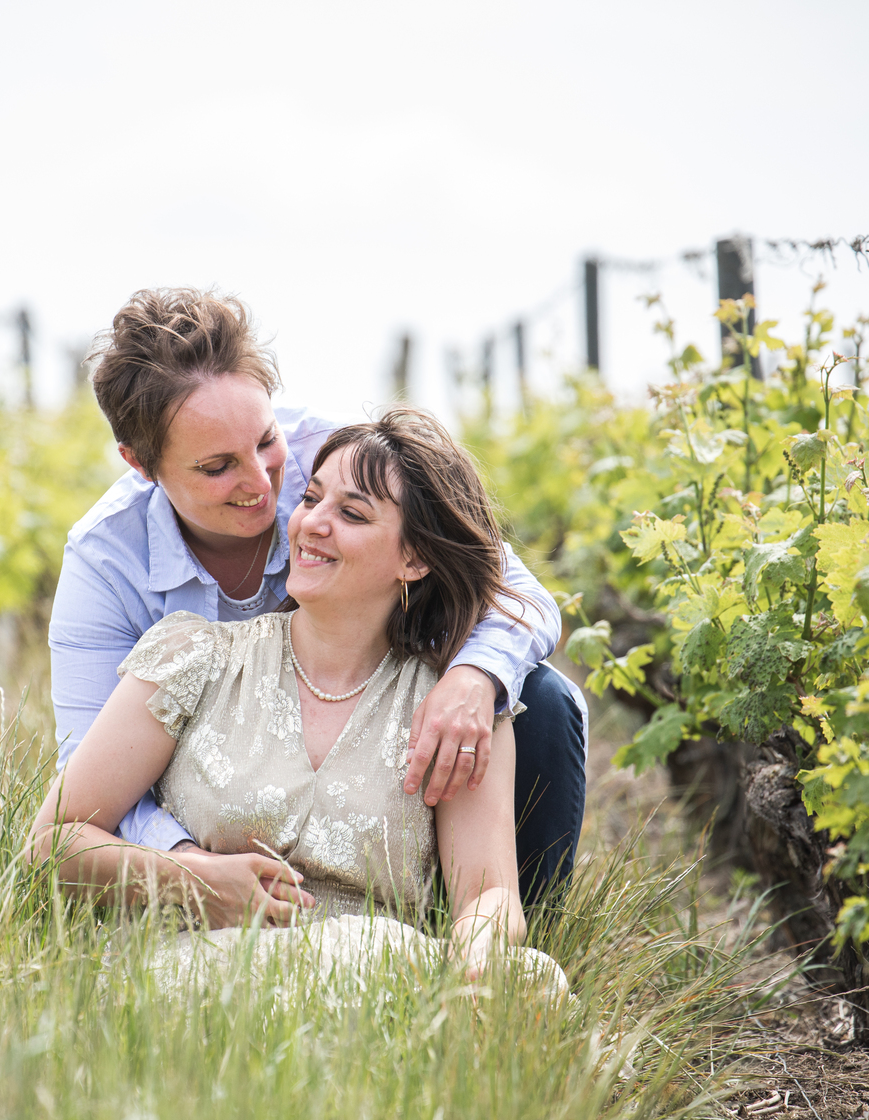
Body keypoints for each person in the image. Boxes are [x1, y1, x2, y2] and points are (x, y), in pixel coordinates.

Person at [47, 288, 587, 910]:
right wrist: (188, 868)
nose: (260, 484)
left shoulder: (337, 462)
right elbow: (86, 769)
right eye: (217, 467)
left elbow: (516, 594)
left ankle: (518, 924)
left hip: (374, 717)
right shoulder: (104, 561)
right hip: (201, 806)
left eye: (265, 440)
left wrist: (472, 677)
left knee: (538, 698)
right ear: (141, 465)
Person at [29, 410, 565, 990]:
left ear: (413, 560)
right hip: (202, 975)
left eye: (352, 513)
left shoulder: (452, 709)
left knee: (533, 977)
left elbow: (488, 893)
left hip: (377, 978)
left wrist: (475, 953)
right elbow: (52, 843)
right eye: (311, 499)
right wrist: (192, 880)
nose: (311, 523)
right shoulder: (190, 657)